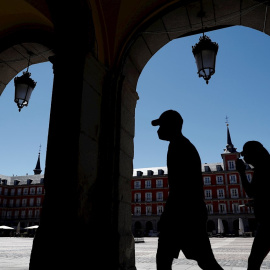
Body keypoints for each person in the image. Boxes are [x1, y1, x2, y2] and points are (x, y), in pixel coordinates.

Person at [152, 110, 223, 270]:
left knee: (202, 260)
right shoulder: (180, 145)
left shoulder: (180, 147)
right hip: (188, 211)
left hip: (184, 212)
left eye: (161, 125)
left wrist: (168, 214)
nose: (158, 130)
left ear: (172, 126)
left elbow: (180, 186)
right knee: (168, 257)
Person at [236, 141, 270, 270]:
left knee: (254, 262)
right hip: (265, 220)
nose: (244, 158)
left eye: (246, 154)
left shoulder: (263, 168)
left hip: (267, 222)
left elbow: (251, 191)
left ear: (254, 153)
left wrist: (241, 172)